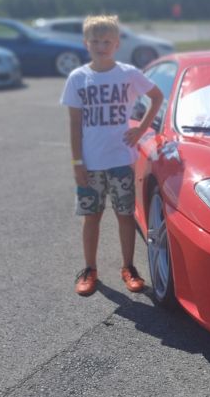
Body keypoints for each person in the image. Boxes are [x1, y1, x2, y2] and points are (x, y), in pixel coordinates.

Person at [60, 15, 164, 297]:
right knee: (91, 217)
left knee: (125, 215)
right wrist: (77, 163)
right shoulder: (78, 78)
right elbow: (74, 124)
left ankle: (128, 267)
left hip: (121, 161)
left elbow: (156, 97)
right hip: (90, 164)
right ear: (86, 43)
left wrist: (140, 129)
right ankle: (89, 269)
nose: (101, 46)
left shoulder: (128, 74)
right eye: (95, 41)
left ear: (117, 44)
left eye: (107, 41)